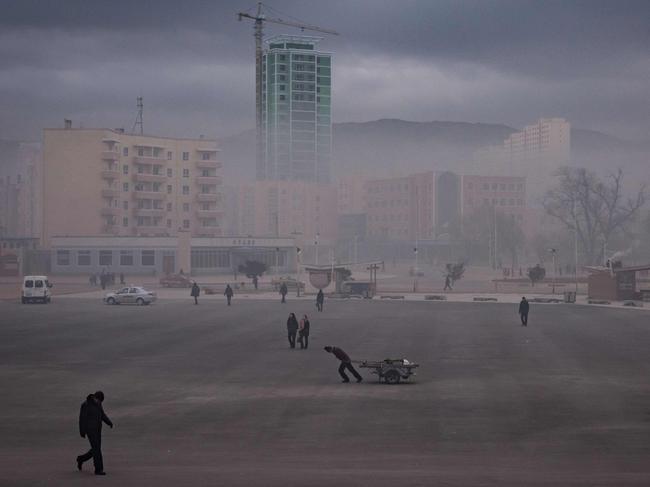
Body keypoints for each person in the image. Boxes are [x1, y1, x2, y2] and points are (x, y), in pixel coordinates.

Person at [77, 391, 113, 476]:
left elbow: (102, 414)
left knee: (95, 449)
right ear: (95, 398)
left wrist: (109, 422)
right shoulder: (86, 405)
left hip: (98, 430)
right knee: (97, 449)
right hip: (90, 431)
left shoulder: (98, 404)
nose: (100, 403)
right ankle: (98, 469)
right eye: (99, 400)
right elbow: (82, 419)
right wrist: (82, 431)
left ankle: (81, 459)